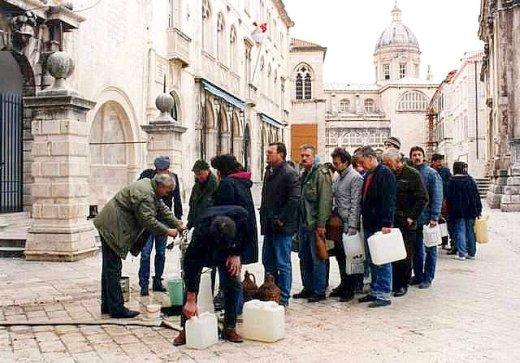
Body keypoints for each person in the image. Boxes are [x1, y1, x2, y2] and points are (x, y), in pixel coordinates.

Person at [94, 174, 183, 318]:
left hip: (109, 222)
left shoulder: (150, 186)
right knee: (113, 268)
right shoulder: (146, 195)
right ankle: (116, 308)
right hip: (112, 226)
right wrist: (167, 231)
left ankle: (107, 305)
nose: (169, 194)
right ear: (160, 186)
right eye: (167, 191)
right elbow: (148, 220)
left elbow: (161, 208)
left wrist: (177, 222)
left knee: (109, 267)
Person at [173, 206, 251, 346]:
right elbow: (191, 265)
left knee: (234, 284)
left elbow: (248, 239)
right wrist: (191, 298)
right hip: (206, 252)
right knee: (191, 286)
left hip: (230, 253)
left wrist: (236, 253)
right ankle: (186, 329)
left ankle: (229, 327)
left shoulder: (242, 218)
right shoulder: (201, 231)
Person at [211, 154, 258, 312]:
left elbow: (228, 219)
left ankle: (233, 315)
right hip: (240, 240)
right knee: (233, 278)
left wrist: (234, 251)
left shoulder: (228, 185)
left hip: (231, 242)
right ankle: (234, 313)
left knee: (230, 280)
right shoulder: (241, 183)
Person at [382, 149, 428, 297]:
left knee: (405, 254)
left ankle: (402, 284)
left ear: (397, 162)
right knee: (393, 253)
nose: (387, 166)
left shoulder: (412, 174)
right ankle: (394, 283)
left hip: (406, 222)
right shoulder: (388, 174)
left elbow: (423, 198)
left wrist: (411, 217)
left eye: (389, 164)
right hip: (392, 220)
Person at [355, 146, 396, 308]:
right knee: (372, 259)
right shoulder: (369, 174)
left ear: (370, 157)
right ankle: (375, 289)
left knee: (382, 259)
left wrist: (387, 223)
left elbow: (389, 200)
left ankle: (384, 293)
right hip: (370, 223)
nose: (360, 165)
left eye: (362, 161)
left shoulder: (385, 174)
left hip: (380, 224)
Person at [260, 143, 300, 307]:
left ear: (281, 154)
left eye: (270, 153)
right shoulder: (269, 172)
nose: (267, 155)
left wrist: (281, 219)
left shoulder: (289, 173)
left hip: (282, 227)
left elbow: (294, 199)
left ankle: (283, 297)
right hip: (269, 226)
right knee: (268, 261)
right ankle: (270, 292)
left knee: (283, 263)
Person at [293, 144, 332, 303]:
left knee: (318, 257)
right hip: (303, 223)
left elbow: (325, 200)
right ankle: (307, 287)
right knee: (304, 257)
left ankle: (319, 290)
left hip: (315, 224)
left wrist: (321, 224)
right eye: (302, 155)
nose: (303, 158)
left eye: (307, 156)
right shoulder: (305, 173)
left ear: (314, 156)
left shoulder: (320, 174)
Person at [138, 156, 183, 295]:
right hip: (147, 221)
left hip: (164, 220)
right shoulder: (147, 176)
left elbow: (177, 200)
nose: (161, 172)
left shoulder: (173, 178)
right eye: (159, 170)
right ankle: (144, 284)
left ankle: (157, 280)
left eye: (163, 170)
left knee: (161, 252)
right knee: (145, 253)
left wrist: (178, 220)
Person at [328, 147, 363, 302]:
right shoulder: (338, 176)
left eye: (337, 163)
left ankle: (350, 288)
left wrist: (353, 226)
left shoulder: (355, 178)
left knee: (350, 257)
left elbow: (355, 203)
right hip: (338, 223)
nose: (335, 166)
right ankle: (344, 284)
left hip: (349, 224)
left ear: (345, 162)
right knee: (340, 256)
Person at [410, 146, 443, 289]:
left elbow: (437, 195)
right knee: (416, 250)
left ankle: (428, 277)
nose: (416, 157)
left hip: (428, 217)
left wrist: (435, 216)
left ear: (424, 157)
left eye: (419, 154)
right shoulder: (411, 173)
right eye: (414, 155)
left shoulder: (431, 174)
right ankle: (418, 275)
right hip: (415, 219)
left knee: (430, 249)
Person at [446, 162, 482, 260]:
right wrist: (479, 210)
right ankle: (471, 253)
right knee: (470, 231)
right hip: (470, 210)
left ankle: (461, 253)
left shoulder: (452, 181)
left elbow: (448, 198)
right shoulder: (470, 180)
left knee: (460, 230)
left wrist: (448, 211)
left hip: (457, 211)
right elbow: (476, 196)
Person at [186, 160, 218, 230]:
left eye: (200, 174)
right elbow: (192, 205)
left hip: (209, 227)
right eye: (196, 174)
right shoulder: (196, 186)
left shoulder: (215, 185)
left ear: (208, 170)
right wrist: (189, 224)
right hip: (198, 225)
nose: (198, 176)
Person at [430, 154, 453, 251]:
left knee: (443, 221)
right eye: (438, 161)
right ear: (433, 162)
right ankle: (432, 242)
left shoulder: (446, 171)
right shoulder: (429, 171)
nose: (440, 163)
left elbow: (449, 184)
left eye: (441, 161)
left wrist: (446, 199)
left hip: (444, 199)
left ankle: (444, 242)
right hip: (431, 200)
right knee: (433, 222)